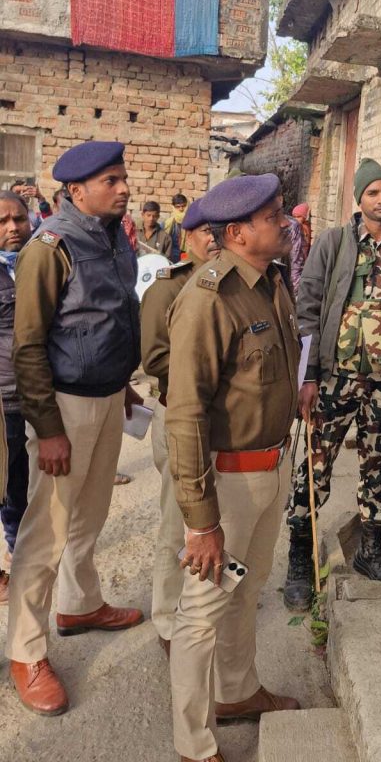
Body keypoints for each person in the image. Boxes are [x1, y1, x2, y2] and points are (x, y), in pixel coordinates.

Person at [164, 174, 301, 761]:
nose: (285, 223)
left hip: (271, 467)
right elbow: (185, 414)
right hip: (229, 481)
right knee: (202, 612)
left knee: (248, 591)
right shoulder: (207, 298)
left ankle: (238, 691)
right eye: (273, 217)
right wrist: (201, 521)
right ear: (239, 233)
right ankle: (193, 744)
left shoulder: (271, 282)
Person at [7, 140, 145, 716]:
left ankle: (80, 604)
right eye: (111, 181)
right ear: (76, 190)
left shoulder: (113, 236)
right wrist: (48, 428)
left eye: (123, 178)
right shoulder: (51, 247)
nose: (124, 188)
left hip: (109, 397)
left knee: (89, 515)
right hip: (65, 407)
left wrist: (125, 382)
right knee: (46, 532)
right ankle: (25, 650)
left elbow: (112, 316)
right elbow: (29, 346)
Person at [284, 159, 381, 611]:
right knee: (316, 467)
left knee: (376, 466)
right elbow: (307, 310)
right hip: (335, 379)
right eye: (373, 193)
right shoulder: (333, 243)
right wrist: (308, 375)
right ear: (359, 199)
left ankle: (372, 551)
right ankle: (299, 559)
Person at [140, 200, 216, 654]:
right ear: (187, 236)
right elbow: (154, 358)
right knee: (179, 520)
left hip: (222, 421)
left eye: (220, 230)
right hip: (180, 417)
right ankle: (168, 617)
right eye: (204, 231)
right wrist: (212, 372)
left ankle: (207, 604)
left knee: (216, 517)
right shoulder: (167, 288)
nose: (213, 238)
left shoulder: (232, 283)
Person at [0, 192, 33, 602]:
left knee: (24, 481)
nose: (12, 228)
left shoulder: (37, 262)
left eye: (19, 219)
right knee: (5, 483)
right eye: (3, 221)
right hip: (3, 397)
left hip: (37, 393)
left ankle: (19, 550)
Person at [165, 192, 189, 262]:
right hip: (172, 254)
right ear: (173, 207)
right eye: (178, 207)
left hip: (186, 254)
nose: (181, 209)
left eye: (183, 206)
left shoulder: (191, 221)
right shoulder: (167, 223)